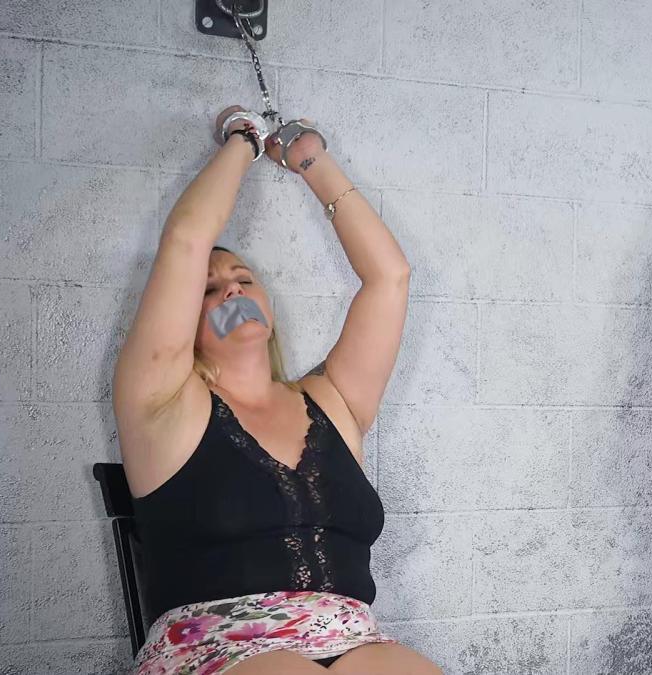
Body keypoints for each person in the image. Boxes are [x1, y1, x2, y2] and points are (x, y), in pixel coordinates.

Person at [112, 106, 440, 674]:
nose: (232, 292)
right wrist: (245, 138)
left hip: (352, 639)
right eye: (209, 289)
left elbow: (390, 277)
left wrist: (309, 157)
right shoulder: (161, 403)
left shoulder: (334, 401)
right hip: (217, 646)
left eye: (244, 280)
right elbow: (187, 240)